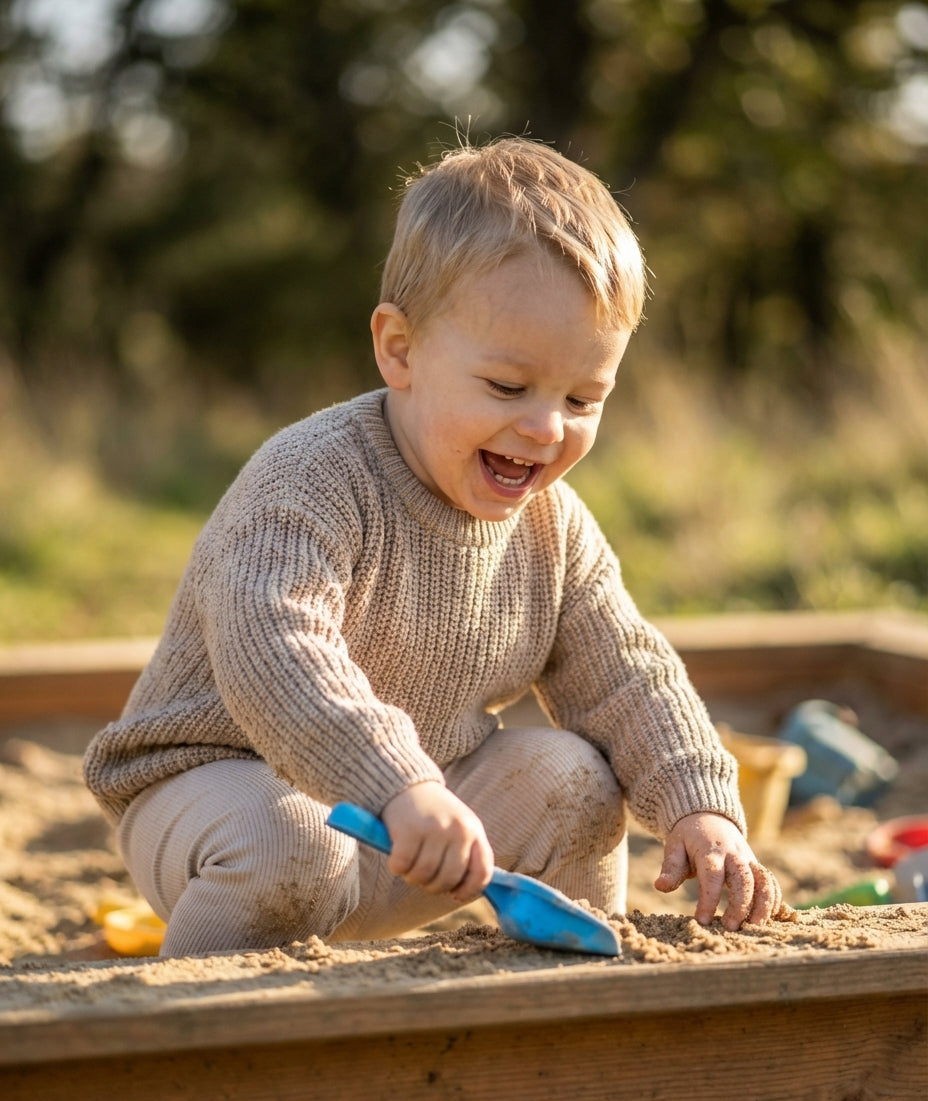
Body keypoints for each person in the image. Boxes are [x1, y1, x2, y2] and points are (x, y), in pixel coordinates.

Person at [84, 135, 783, 957]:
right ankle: (202, 1049)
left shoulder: (553, 528)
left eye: (584, 397)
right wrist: (398, 784)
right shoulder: (310, 479)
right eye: (507, 387)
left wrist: (701, 808)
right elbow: (277, 652)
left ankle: (578, 997)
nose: (545, 426)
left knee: (580, 782)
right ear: (400, 349)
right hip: (216, 792)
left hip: (415, 819)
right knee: (294, 843)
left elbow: (627, 674)